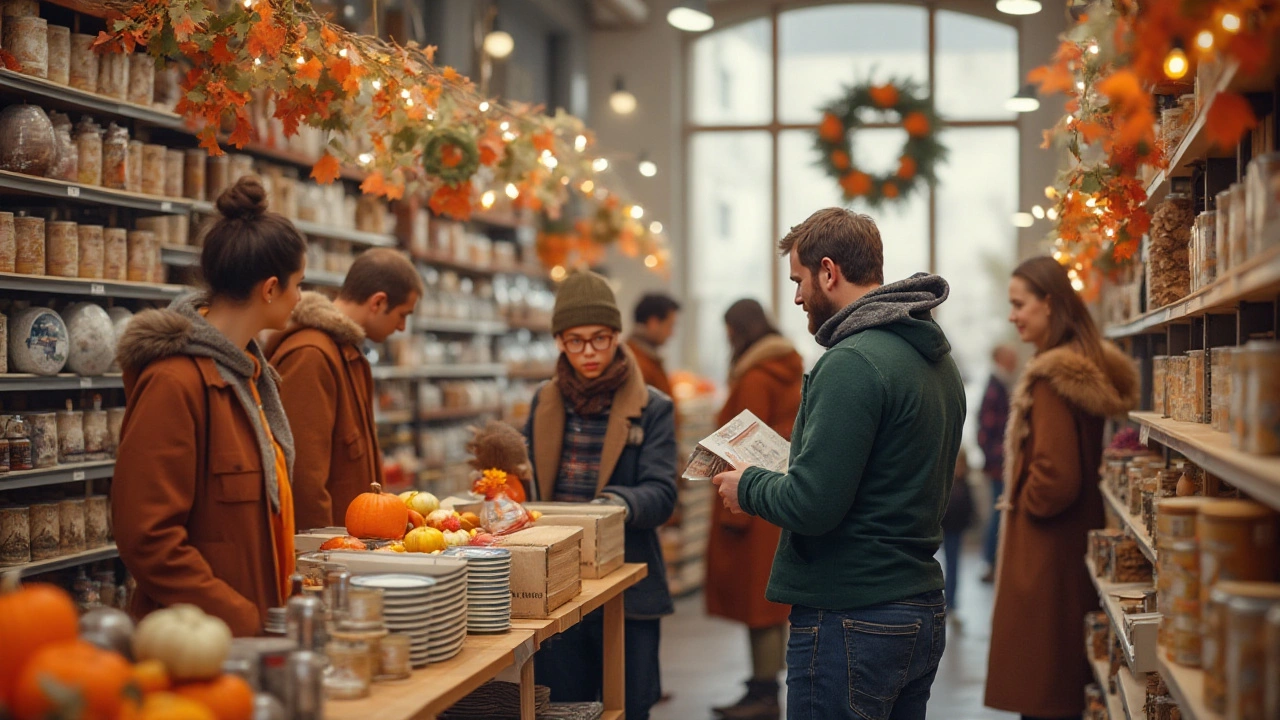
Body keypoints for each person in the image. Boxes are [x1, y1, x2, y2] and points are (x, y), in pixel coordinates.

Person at [712, 208, 966, 720]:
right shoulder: (934, 360)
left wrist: (749, 486)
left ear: (829, 271)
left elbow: (814, 505)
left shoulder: (852, 362)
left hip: (851, 613)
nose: (799, 297)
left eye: (800, 281)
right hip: (914, 605)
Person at [113, 177, 307, 636]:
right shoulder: (175, 382)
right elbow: (149, 537)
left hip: (259, 633)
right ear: (270, 288)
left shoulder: (250, 378)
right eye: (299, 284)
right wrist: (238, 616)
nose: (301, 297)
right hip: (199, 645)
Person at [984, 256, 1138, 720]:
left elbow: (1056, 477)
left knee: (1043, 693)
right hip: (1071, 550)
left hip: (1044, 559)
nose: (1013, 316)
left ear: (1049, 304)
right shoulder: (1082, 365)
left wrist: (1024, 505)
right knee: (1064, 689)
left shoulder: (1051, 379)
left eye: (1019, 304)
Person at [523, 271, 677, 720]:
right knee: (562, 707)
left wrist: (612, 507)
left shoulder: (652, 407)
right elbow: (530, 486)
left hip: (626, 587)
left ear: (616, 336)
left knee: (628, 706)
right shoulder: (543, 403)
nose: (589, 353)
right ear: (558, 341)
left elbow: (662, 494)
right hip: (558, 588)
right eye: (575, 341)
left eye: (600, 339)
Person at [267, 248, 423, 530]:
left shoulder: (345, 354)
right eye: (402, 315)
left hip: (351, 547)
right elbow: (302, 479)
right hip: (330, 554)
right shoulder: (312, 356)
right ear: (378, 302)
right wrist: (322, 555)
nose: (401, 327)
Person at [705, 299, 803, 720]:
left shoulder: (754, 377)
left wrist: (732, 514)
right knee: (768, 601)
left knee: (757, 603)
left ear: (737, 330)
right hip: (776, 499)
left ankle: (763, 693)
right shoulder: (789, 366)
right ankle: (761, 689)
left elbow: (741, 446)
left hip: (748, 505)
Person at [978, 344, 1017, 583]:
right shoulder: (996, 387)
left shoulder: (1000, 384)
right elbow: (988, 429)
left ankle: (993, 562)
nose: (1015, 358)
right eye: (1011, 355)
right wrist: (999, 458)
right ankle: (992, 563)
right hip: (998, 465)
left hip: (998, 462)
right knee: (998, 512)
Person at [625, 292, 680, 398]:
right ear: (653, 323)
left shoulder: (646, 356)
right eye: (670, 326)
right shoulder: (634, 362)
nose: (671, 333)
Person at [941, 450, 975, 618]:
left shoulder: (965, 486)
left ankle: (951, 602)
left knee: (953, 566)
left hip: (956, 531)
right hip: (944, 529)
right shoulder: (944, 484)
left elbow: (969, 509)